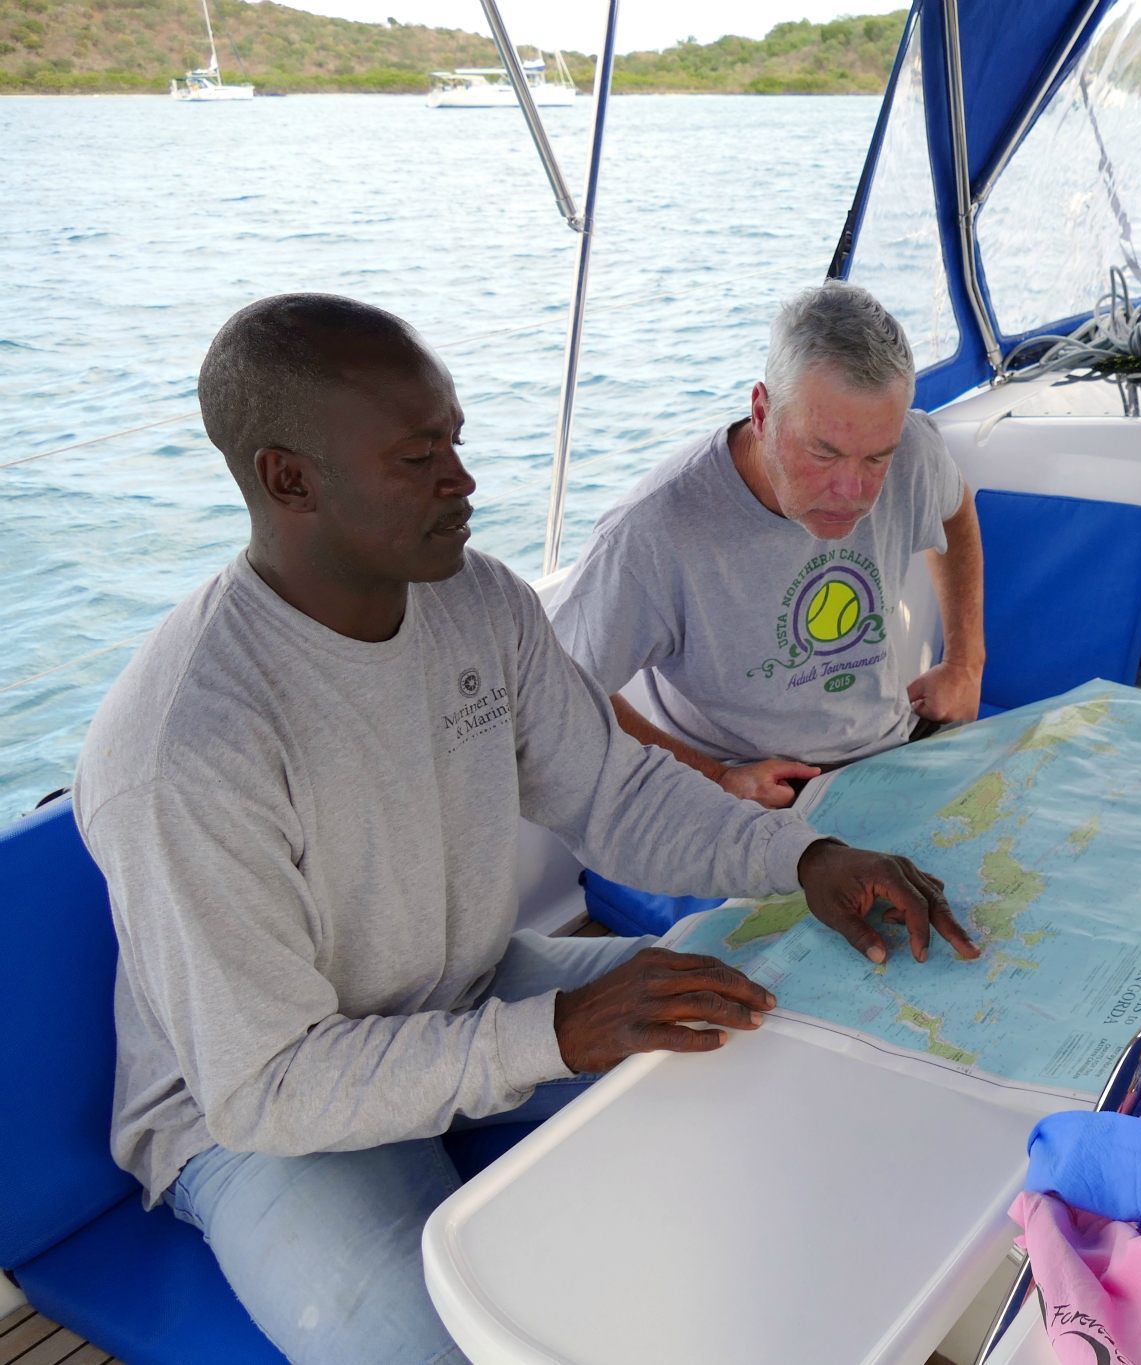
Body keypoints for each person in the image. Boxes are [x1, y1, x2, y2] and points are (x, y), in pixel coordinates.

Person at [72, 294, 978, 1365]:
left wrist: (806, 856)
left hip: (457, 985)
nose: (462, 482)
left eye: (454, 441)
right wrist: (556, 1032)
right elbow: (270, 1085)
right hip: (258, 1124)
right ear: (289, 479)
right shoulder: (186, 747)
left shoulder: (477, 604)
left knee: (784, 1026)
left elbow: (616, 796)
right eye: (420, 458)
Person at [547, 281, 984, 811]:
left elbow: (955, 510)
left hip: (893, 752)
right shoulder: (655, 531)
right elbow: (555, 686)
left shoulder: (913, 450)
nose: (853, 492)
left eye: (875, 459)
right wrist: (713, 779)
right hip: (753, 797)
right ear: (761, 413)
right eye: (824, 453)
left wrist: (966, 662)